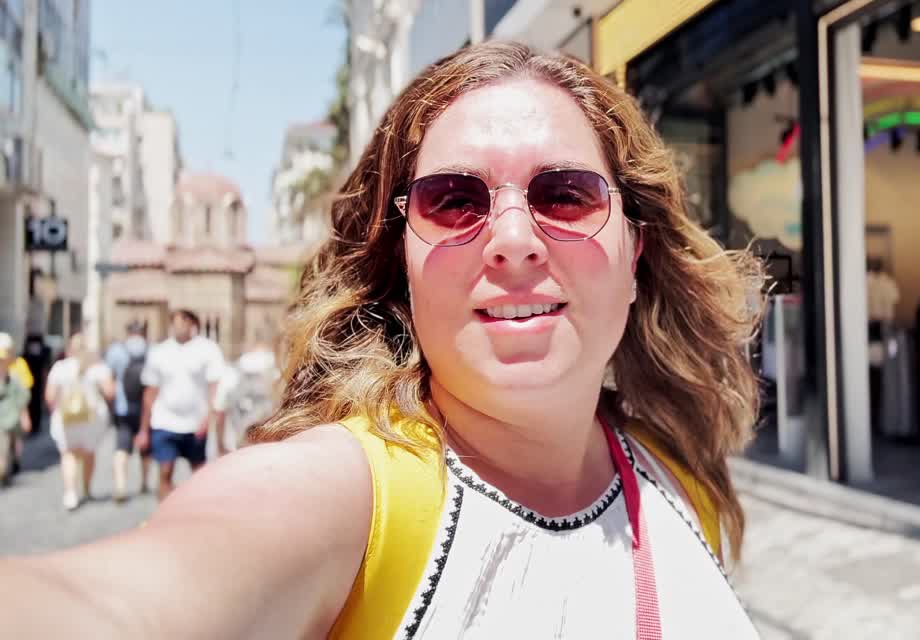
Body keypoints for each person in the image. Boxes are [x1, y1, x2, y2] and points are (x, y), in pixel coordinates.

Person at [0, 42, 763, 637]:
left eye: (565, 194)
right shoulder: (348, 501)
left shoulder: (681, 485)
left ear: (635, 252)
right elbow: (116, 605)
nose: (514, 240)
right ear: (401, 266)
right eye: (453, 200)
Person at [136, 309, 224, 501]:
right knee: (165, 472)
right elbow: (150, 392)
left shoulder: (207, 349)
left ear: (193, 324)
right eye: (175, 321)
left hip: (195, 424)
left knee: (200, 474)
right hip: (165, 422)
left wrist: (208, 418)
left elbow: (215, 387)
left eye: (183, 321)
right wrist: (144, 429)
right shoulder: (159, 352)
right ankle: (165, 518)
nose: (179, 325)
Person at [44, 334, 112, 510]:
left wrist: (56, 410)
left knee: (69, 454)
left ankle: (70, 492)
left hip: (66, 418)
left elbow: (50, 397)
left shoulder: (60, 367)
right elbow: (110, 392)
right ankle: (87, 489)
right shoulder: (97, 367)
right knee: (89, 453)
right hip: (93, 418)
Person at [103, 321, 152, 501]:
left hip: (123, 408)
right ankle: (144, 483)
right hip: (147, 408)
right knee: (146, 447)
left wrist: (111, 405)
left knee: (121, 448)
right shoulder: (151, 350)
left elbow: (109, 385)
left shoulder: (116, 350)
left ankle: (120, 485)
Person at [212, 334, 279, 455]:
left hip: (238, 450)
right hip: (270, 449)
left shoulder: (230, 373)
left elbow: (219, 412)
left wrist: (220, 445)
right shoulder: (278, 373)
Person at [0, 333, 32, 485]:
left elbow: (24, 392)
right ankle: (4, 470)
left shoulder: (18, 365)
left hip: (13, 415)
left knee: (14, 443)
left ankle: (12, 464)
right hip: (3, 418)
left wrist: (25, 415)